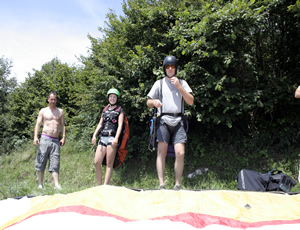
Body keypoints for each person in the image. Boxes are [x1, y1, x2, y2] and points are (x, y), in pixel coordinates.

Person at [147, 55, 194, 190]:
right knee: (161, 152)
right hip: (163, 121)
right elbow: (148, 102)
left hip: (178, 120)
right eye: (167, 66)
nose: (170, 69)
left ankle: (177, 184)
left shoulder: (182, 83)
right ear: (164, 69)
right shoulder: (159, 83)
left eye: (172, 66)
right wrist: (154, 102)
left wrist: (179, 87)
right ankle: (161, 184)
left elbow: (190, 101)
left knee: (180, 153)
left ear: (176, 68)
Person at [33, 92, 66, 190]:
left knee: (55, 162)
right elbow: (38, 124)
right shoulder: (43, 111)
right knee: (41, 160)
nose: (53, 101)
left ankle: (56, 185)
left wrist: (63, 137)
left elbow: (63, 125)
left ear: (56, 100)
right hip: (45, 138)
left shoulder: (60, 111)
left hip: (55, 140)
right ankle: (40, 184)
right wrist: (35, 137)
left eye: (54, 99)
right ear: (48, 99)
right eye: (51, 99)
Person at [92, 88, 124, 185]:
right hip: (102, 137)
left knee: (109, 164)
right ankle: (98, 185)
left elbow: (120, 125)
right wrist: (94, 135)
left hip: (112, 138)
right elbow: (100, 123)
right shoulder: (105, 109)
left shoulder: (120, 110)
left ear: (117, 98)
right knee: (97, 162)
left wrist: (116, 138)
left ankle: (105, 185)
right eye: (111, 97)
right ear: (108, 98)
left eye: (114, 97)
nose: (112, 98)